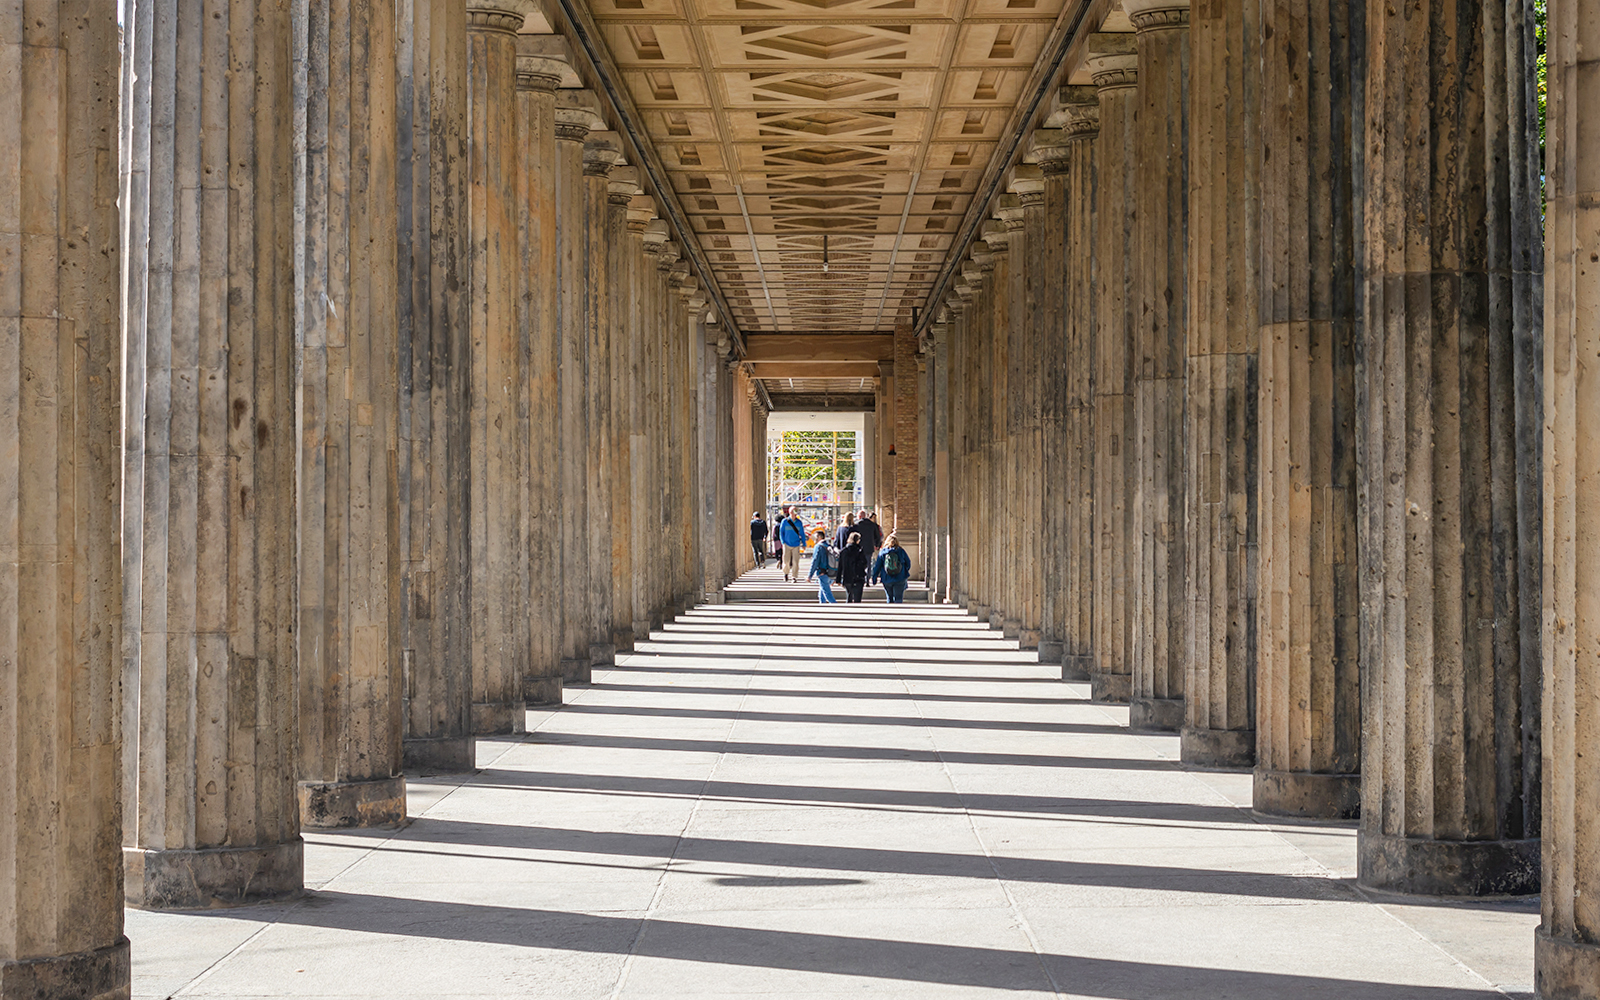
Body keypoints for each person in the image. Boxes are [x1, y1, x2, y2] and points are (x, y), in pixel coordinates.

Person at [871, 532, 912, 603]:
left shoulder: (883, 552)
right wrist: (905, 571)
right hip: (900, 577)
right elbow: (908, 563)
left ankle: (890, 610)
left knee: (889, 598)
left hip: (886, 578)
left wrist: (874, 578)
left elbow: (877, 566)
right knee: (898, 598)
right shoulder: (901, 551)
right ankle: (898, 612)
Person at [837, 531, 870, 603]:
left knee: (849, 596)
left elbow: (840, 566)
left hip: (847, 577)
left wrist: (838, 579)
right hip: (858, 577)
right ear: (857, 540)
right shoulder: (860, 550)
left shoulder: (843, 551)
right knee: (857, 599)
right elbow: (865, 563)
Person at [807, 528, 838, 603]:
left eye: (815, 537)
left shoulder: (818, 547)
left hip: (822, 573)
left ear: (819, 537)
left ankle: (836, 607)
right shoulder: (829, 546)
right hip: (831, 572)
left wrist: (809, 575)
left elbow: (815, 561)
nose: (814, 539)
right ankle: (822, 605)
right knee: (822, 592)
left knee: (827, 594)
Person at [778, 506, 808, 582]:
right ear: (790, 512)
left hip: (796, 544)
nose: (795, 513)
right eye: (793, 512)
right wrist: (783, 542)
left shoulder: (799, 522)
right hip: (787, 544)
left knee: (795, 561)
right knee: (786, 560)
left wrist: (804, 544)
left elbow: (802, 534)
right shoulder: (784, 522)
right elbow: (781, 532)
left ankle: (794, 576)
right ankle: (785, 574)